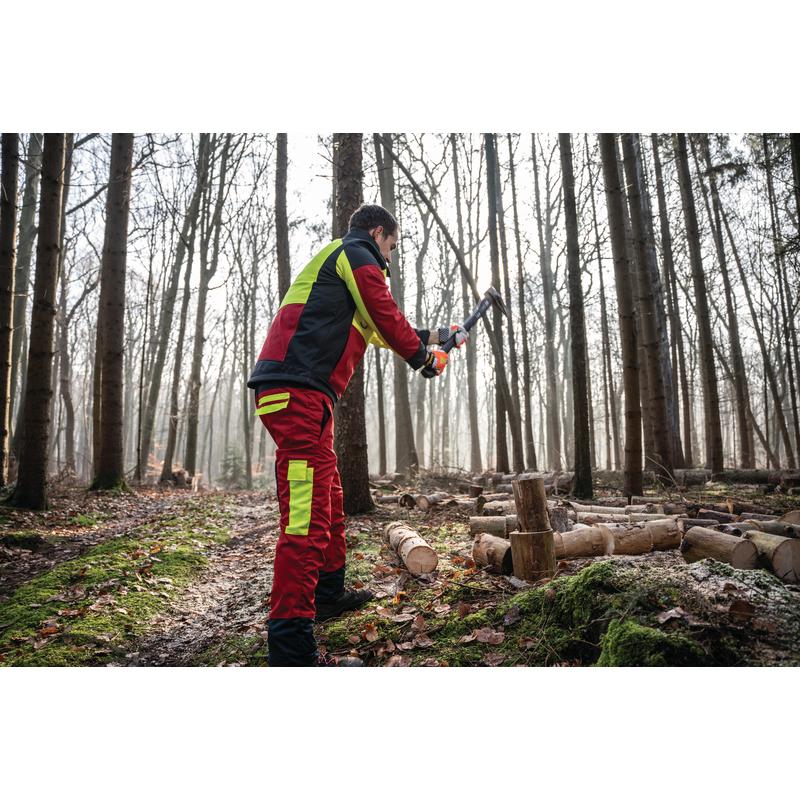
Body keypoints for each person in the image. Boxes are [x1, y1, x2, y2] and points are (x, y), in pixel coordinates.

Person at [248, 203, 468, 666]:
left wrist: (436, 337)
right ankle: (290, 649)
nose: (390, 257)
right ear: (377, 232)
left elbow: (379, 329)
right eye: (392, 246)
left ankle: (327, 595)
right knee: (305, 520)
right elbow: (383, 313)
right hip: (296, 392)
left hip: (308, 396)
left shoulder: (345, 273)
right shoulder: (355, 252)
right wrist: (424, 359)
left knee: (329, 499)